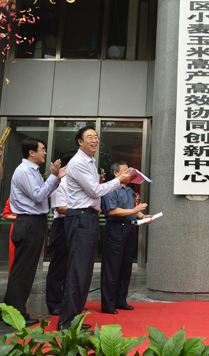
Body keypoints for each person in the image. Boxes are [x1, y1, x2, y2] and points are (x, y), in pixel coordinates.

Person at [57, 126, 135, 330]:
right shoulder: (78, 162)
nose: (94, 140)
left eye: (96, 136)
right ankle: (66, 323)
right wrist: (118, 181)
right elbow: (94, 191)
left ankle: (74, 319)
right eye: (89, 137)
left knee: (84, 272)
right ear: (80, 141)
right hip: (80, 217)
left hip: (88, 217)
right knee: (77, 271)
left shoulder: (90, 162)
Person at [2, 137, 65, 326]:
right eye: (42, 149)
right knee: (22, 270)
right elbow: (38, 196)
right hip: (28, 222)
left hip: (34, 222)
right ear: (31, 152)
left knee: (26, 270)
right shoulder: (24, 171)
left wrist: (55, 178)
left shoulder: (33, 170)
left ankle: (12, 312)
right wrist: (53, 177)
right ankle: (13, 315)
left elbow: (43, 194)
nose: (44, 153)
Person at [101, 161, 152, 314]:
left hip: (130, 228)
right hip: (116, 228)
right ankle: (108, 304)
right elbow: (112, 211)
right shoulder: (110, 188)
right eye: (125, 170)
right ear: (116, 173)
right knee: (112, 267)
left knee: (126, 267)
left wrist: (142, 216)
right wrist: (134, 210)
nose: (129, 172)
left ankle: (121, 300)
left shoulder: (129, 190)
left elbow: (133, 210)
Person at [45, 151, 76, 316]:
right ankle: (54, 303)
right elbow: (60, 208)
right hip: (62, 225)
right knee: (59, 266)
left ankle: (69, 301)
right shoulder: (60, 181)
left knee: (73, 266)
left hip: (76, 223)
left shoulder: (78, 181)